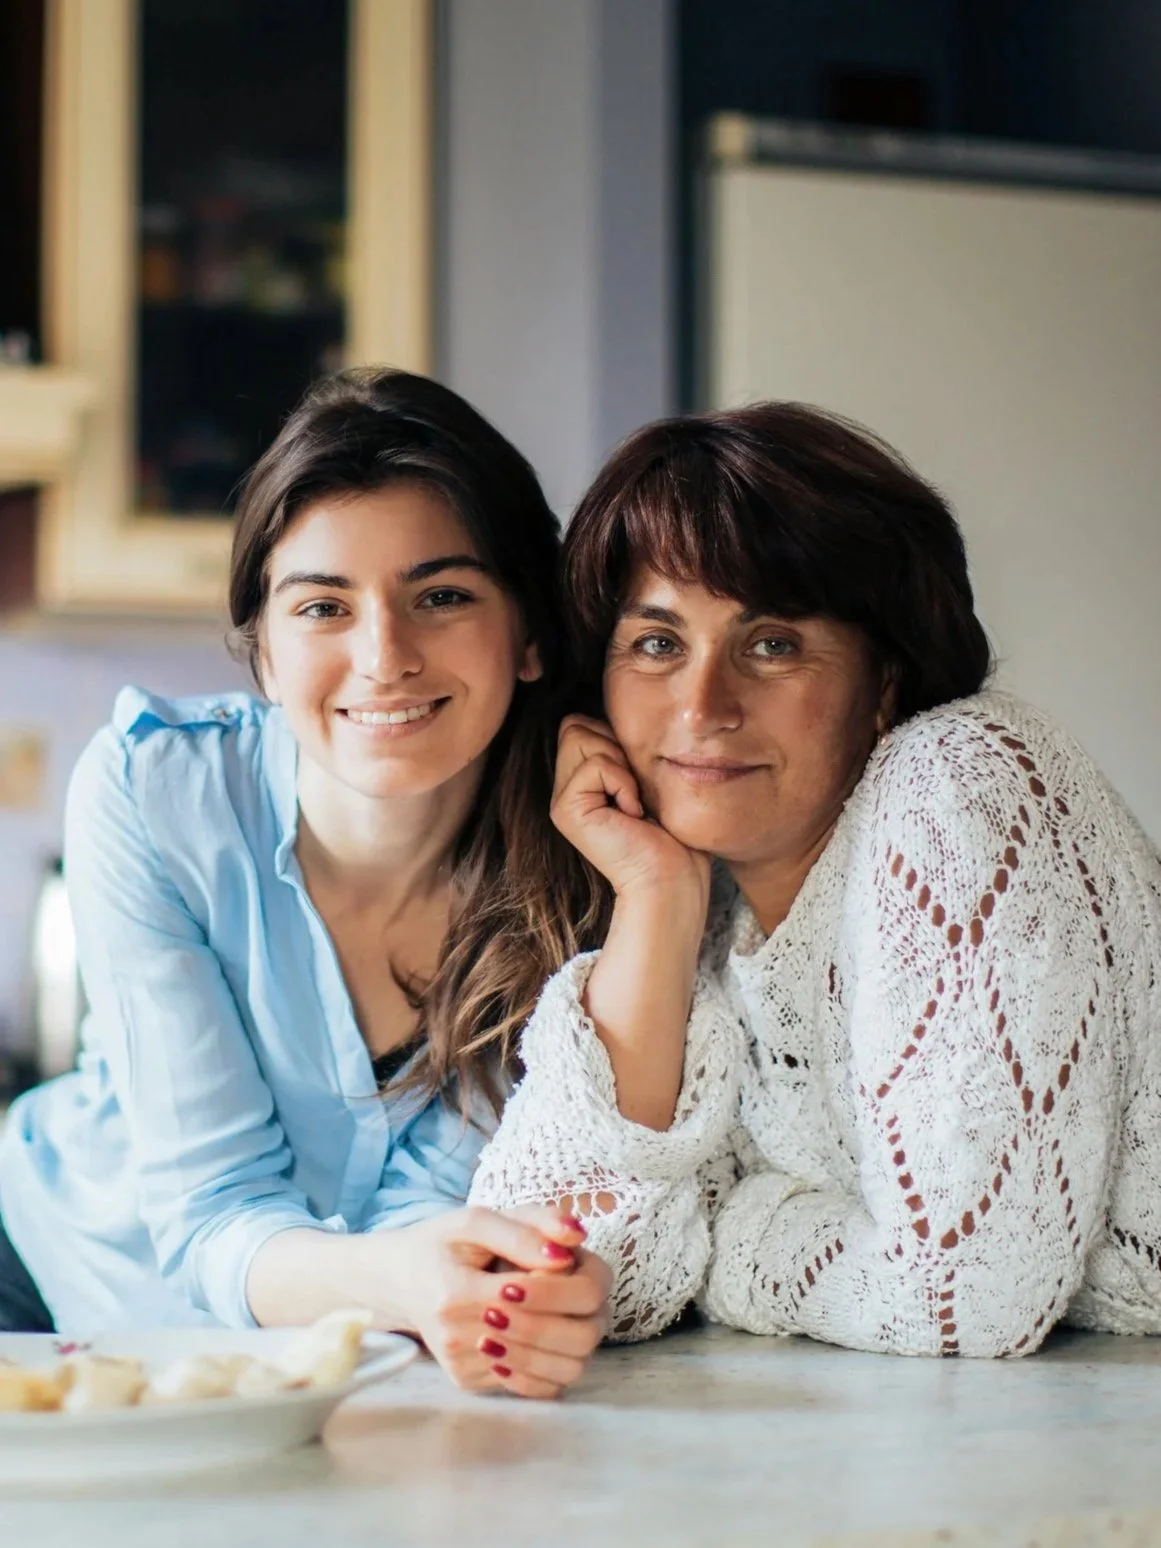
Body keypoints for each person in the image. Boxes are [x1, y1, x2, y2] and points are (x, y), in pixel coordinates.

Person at [469, 402, 1161, 1357]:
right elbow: (547, 1275)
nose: (702, 706)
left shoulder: (960, 780)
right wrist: (655, 901)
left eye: (772, 644)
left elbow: (964, 1300)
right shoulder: (697, 903)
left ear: (882, 685)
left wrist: (731, 1238)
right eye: (658, 644)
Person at [0, 369, 610, 1399]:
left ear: (531, 635)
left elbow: (535, 1206)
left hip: (350, 1364)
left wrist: (501, 1285)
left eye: (443, 595)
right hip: (57, 1287)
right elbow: (210, 1212)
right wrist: (410, 1278)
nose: (384, 657)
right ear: (266, 655)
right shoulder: (157, 789)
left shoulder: (591, 857)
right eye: (324, 606)